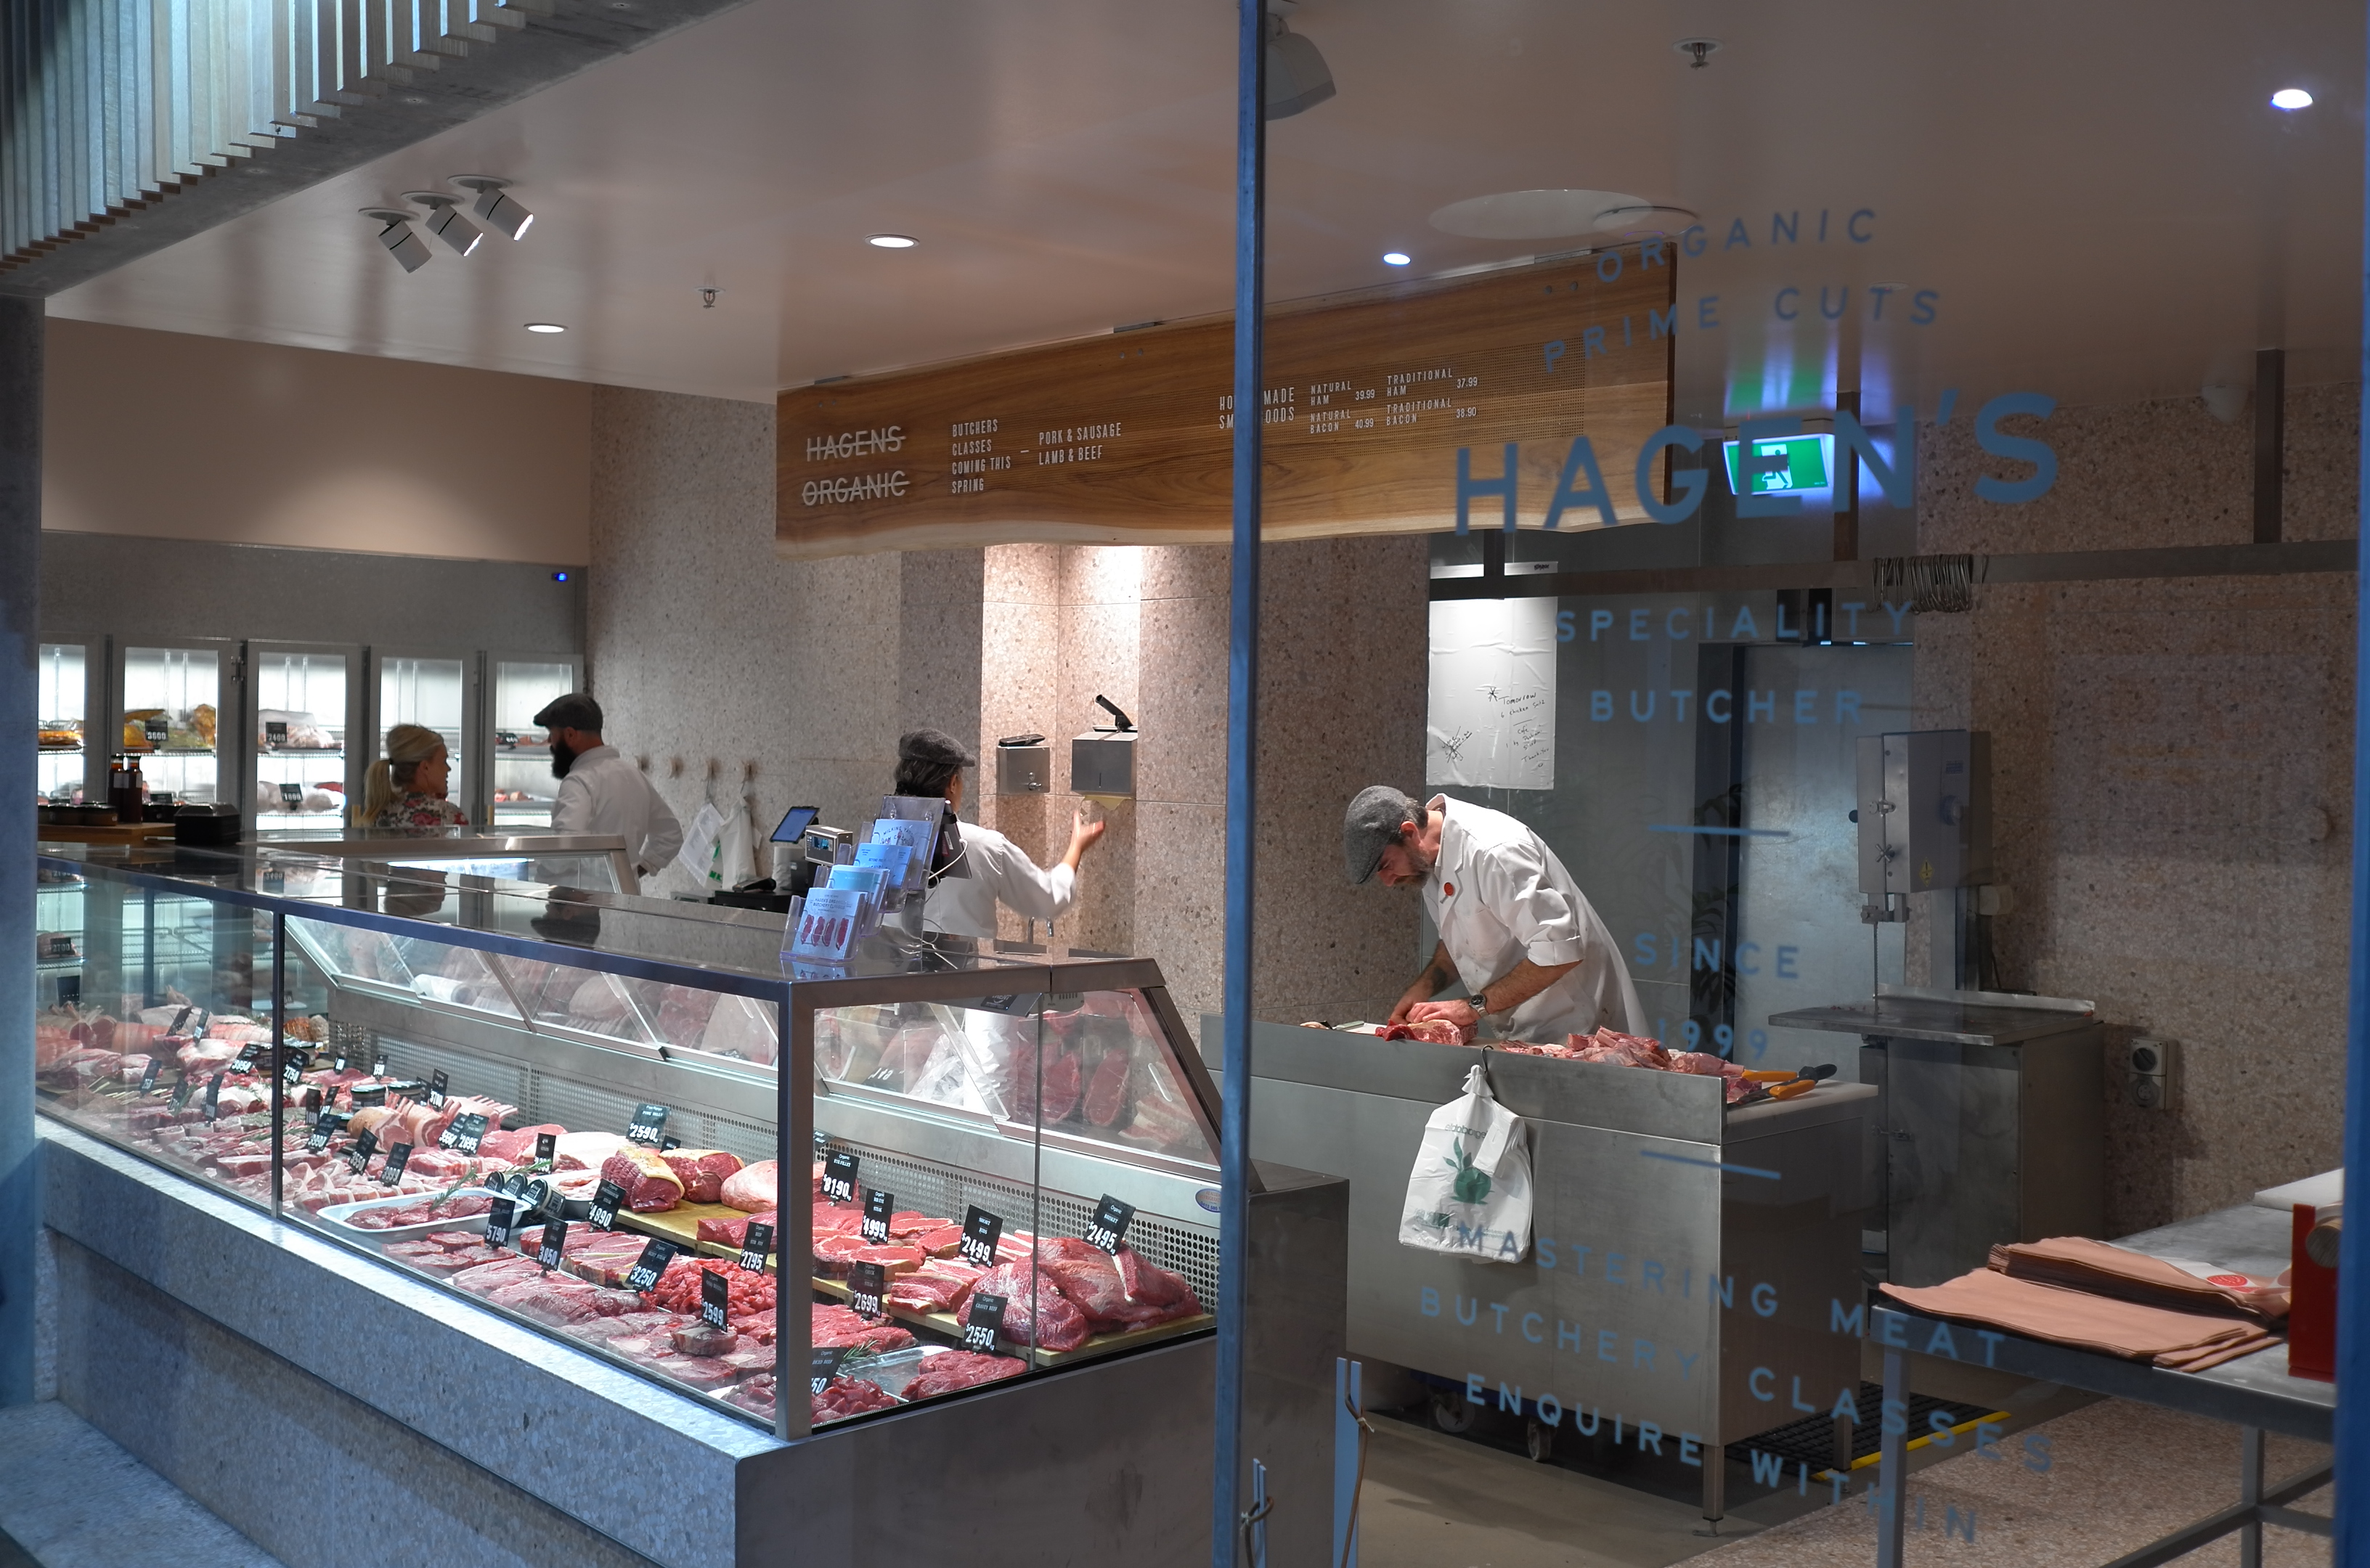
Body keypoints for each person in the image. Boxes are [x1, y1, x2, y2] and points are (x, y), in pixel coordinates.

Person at [1343, 785, 1644, 1042]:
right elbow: (1460, 942)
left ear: (1410, 833)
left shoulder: (1494, 851)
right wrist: (1421, 990)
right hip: (1528, 1029)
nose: (1388, 881)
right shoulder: (1428, 862)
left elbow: (1560, 951)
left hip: (1580, 1026)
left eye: (1386, 865)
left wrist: (1471, 1007)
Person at [895, 728, 1104, 939]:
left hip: (889, 961)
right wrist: (1076, 847)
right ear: (953, 784)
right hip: (962, 962)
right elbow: (1048, 900)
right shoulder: (984, 846)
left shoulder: (880, 841)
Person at [533, 693, 684, 891]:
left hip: (581, 902)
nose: (550, 743)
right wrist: (632, 872)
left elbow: (565, 851)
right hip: (626, 897)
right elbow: (671, 835)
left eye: (552, 735)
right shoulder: (634, 775)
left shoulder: (579, 781)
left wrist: (532, 860)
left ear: (570, 735)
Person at [356, 723, 467, 832]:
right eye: (443, 761)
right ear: (425, 767)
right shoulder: (447, 815)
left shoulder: (378, 814)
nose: (448, 769)